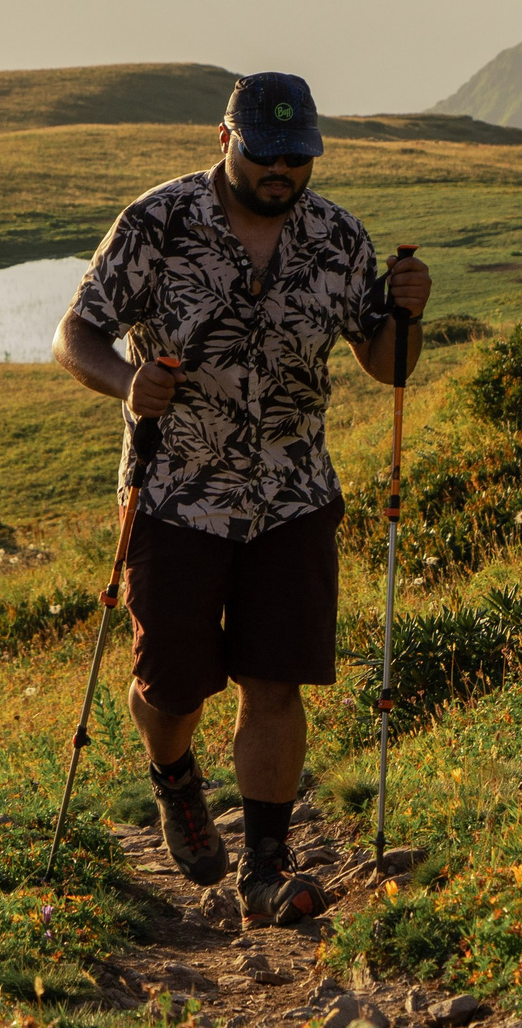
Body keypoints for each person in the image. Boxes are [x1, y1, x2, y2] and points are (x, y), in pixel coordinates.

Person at [52, 71, 430, 927]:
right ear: (226, 140)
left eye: (300, 158)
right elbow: (74, 332)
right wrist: (126, 382)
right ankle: (176, 778)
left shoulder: (338, 238)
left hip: (293, 492)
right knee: (172, 685)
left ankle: (268, 865)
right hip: (176, 492)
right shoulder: (159, 221)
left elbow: (387, 363)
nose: (284, 173)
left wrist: (408, 316)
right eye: (267, 155)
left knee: (276, 680)